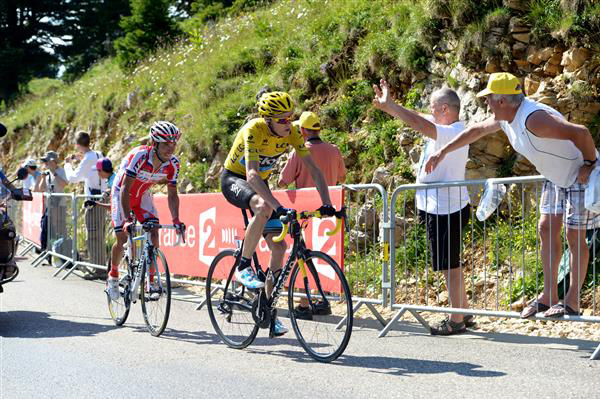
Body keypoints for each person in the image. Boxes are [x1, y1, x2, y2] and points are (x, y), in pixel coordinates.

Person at [425, 72, 600, 318]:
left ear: (503, 101)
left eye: (489, 99)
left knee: (574, 234)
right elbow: (475, 131)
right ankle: (549, 296)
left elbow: (581, 133)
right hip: (556, 176)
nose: (486, 104)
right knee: (546, 228)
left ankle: (571, 301)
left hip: (580, 173)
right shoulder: (507, 118)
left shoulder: (533, 119)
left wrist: (590, 163)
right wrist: (442, 151)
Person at [221, 91, 336, 336]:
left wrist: (327, 203)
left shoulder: (294, 132)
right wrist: (278, 206)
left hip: (259, 186)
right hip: (235, 179)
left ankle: (267, 309)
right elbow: (251, 174)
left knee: (279, 248)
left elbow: (314, 170)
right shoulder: (254, 129)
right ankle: (243, 266)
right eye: (282, 119)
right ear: (267, 118)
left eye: (290, 117)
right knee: (263, 206)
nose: (288, 123)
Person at [373, 79, 473, 335]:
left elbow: (420, 123)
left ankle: (456, 319)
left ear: (445, 110)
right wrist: (392, 106)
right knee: (452, 263)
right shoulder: (449, 128)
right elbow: (421, 118)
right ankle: (462, 310)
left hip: (444, 208)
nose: (429, 112)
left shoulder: (451, 132)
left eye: (433, 107)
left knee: (449, 265)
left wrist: (392, 108)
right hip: (443, 206)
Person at [278, 111, 346, 320]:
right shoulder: (334, 150)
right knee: (325, 256)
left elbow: (283, 180)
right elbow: (342, 175)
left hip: (306, 212)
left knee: (302, 255)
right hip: (329, 210)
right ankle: (322, 298)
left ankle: (304, 302)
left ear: (304, 130)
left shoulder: (300, 151)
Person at [106, 121, 185, 300]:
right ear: (155, 143)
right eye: (166, 144)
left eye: (173, 143)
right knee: (122, 236)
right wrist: (127, 219)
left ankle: (151, 281)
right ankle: (113, 274)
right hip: (122, 193)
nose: (170, 148)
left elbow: (172, 194)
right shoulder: (140, 155)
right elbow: (125, 188)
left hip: (142, 195)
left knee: (154, 231)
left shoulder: (173, 163)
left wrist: (176, 220)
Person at [64, 131, 108, 277]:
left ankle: (98, 269)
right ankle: (101, 266)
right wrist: (80, 158)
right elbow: (90, 167)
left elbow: (74, 178)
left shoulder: (88, 158)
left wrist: (67, 165)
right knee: (99, 234)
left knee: (93, 235)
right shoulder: (98, 154)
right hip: (102, 198)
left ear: (77, 145)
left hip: (93, 200)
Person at [37, 151, 68, 251]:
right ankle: (46, 250)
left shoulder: (61, 171)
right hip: (49, 205)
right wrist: (42, 178)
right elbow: (41, 189)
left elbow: (64, 184)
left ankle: (61, 250)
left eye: (46, 161)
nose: (45, 163)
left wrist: (54, 173)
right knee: (46, 227)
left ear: (53, 161)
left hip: (60, 205)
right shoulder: (47, 173)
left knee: (59, 228)